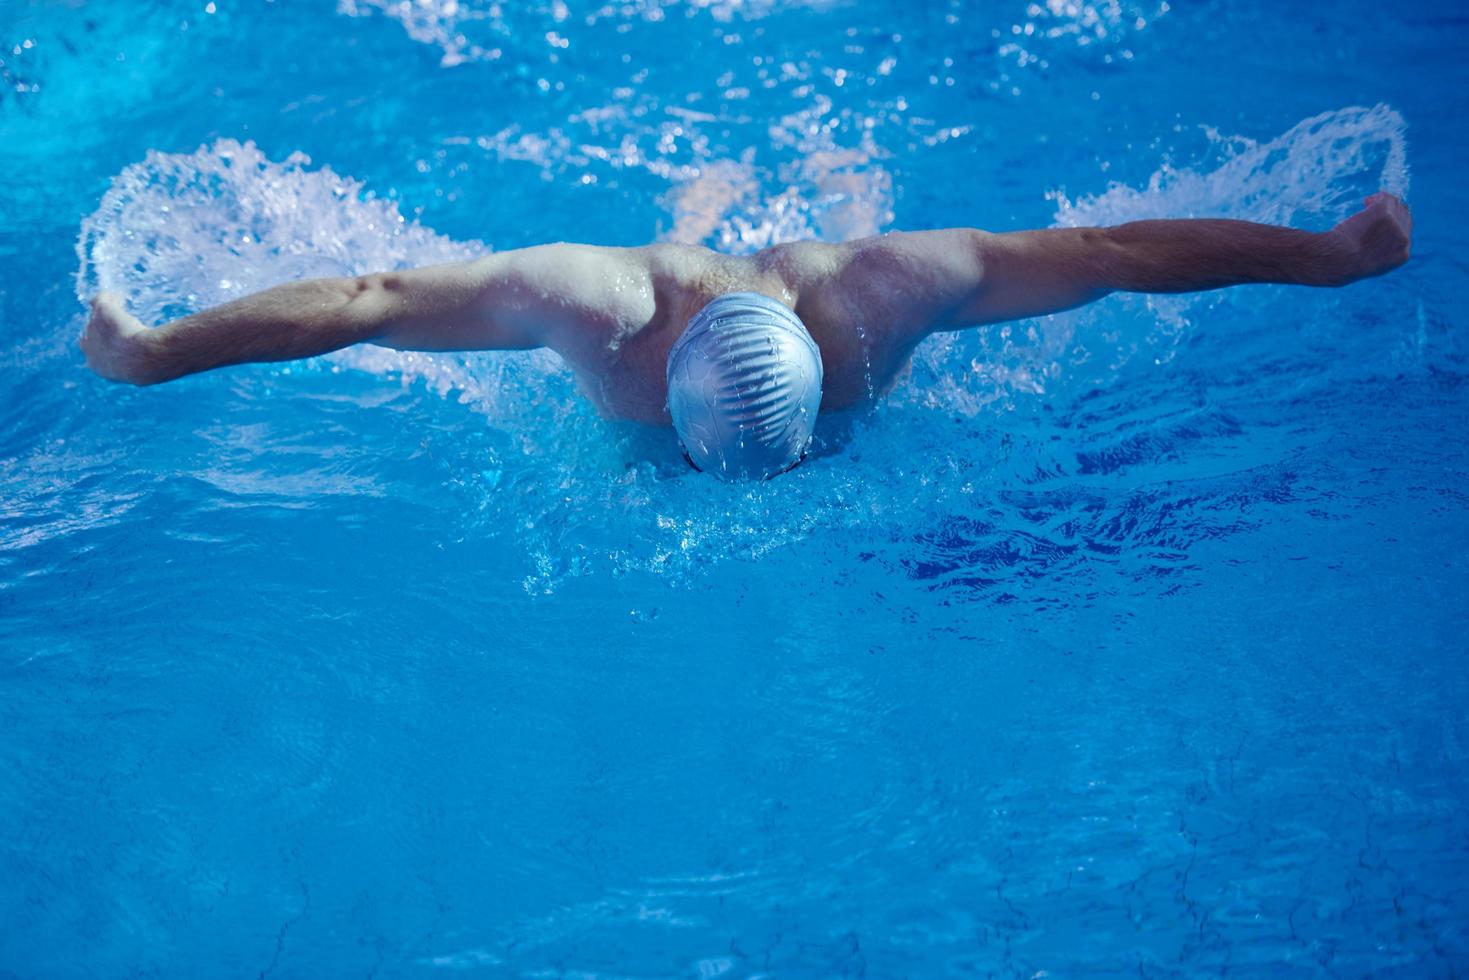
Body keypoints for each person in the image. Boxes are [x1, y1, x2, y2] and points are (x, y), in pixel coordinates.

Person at [81, 191, 1412, 479]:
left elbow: (1111, 256)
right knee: (696, 223)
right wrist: (159, 350)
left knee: (842, 222)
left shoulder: (878, 298)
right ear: (656, 390)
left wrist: (1332, 264)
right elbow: (368, 300)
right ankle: (708, 197)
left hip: (820, 268)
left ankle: (824, 177)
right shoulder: (597, 308)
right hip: (676, 274)